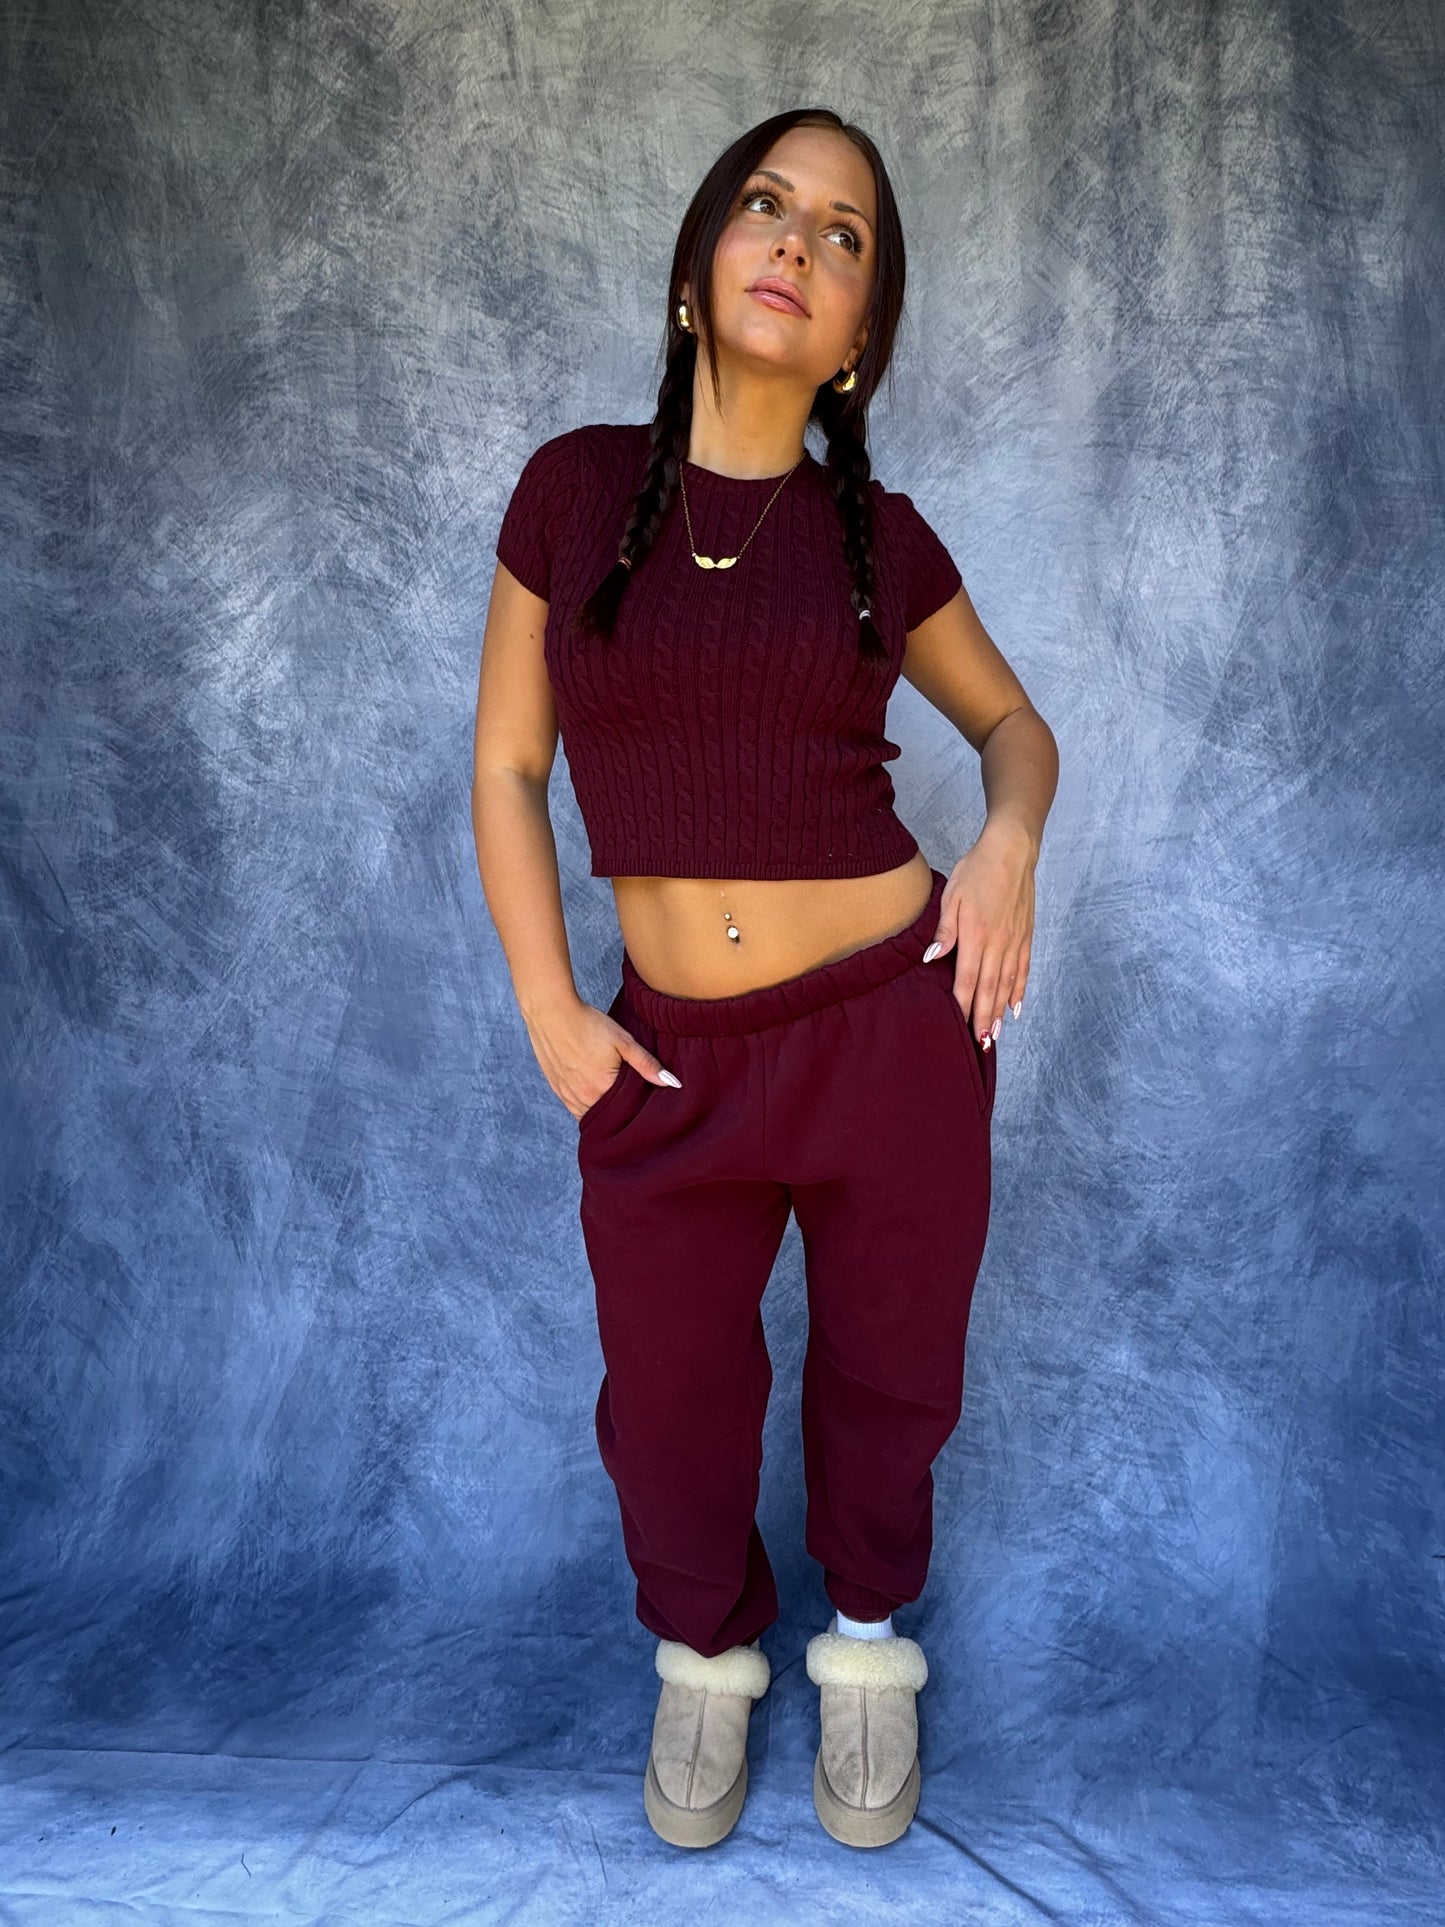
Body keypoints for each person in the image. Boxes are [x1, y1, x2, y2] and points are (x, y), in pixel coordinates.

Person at [471, 106, 1058, 1852]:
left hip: (890, 1030)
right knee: (668, 1404)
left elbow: (1014, 731)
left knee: (891, 1375)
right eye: (765, 204)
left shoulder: (881, 536)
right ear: (698, 267)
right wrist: (552, 1010)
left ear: (858, 333)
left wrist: (1006, 848)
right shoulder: (572, 493)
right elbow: (508, 765)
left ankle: (865, 1651)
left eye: (844, 234)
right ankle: (706, 1657)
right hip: (667, 1058)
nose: (797, 241)